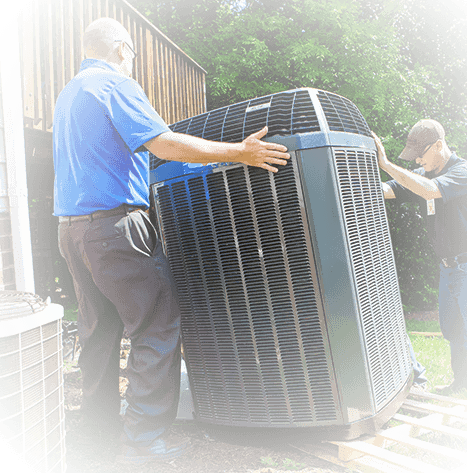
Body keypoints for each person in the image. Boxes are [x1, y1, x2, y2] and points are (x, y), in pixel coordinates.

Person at [53, 17, 290, 465]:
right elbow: (163, 144)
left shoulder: (69, 94)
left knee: (99, 328)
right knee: (157, 322)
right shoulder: (114, 86)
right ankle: (144, 438)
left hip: (72, 230)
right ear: (122, 48)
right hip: (115, 227)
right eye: (133, 55)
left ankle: (97, 431)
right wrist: (240, 152)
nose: (133, 63)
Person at [371, 119, 467, 407]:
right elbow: (388, 190)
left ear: (439, 146)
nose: (417, 160)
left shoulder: (464, 172)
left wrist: (385, 163)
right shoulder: (424, 174)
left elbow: (430, 190)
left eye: (420, 154)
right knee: (453, 329)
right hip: (449, 268)